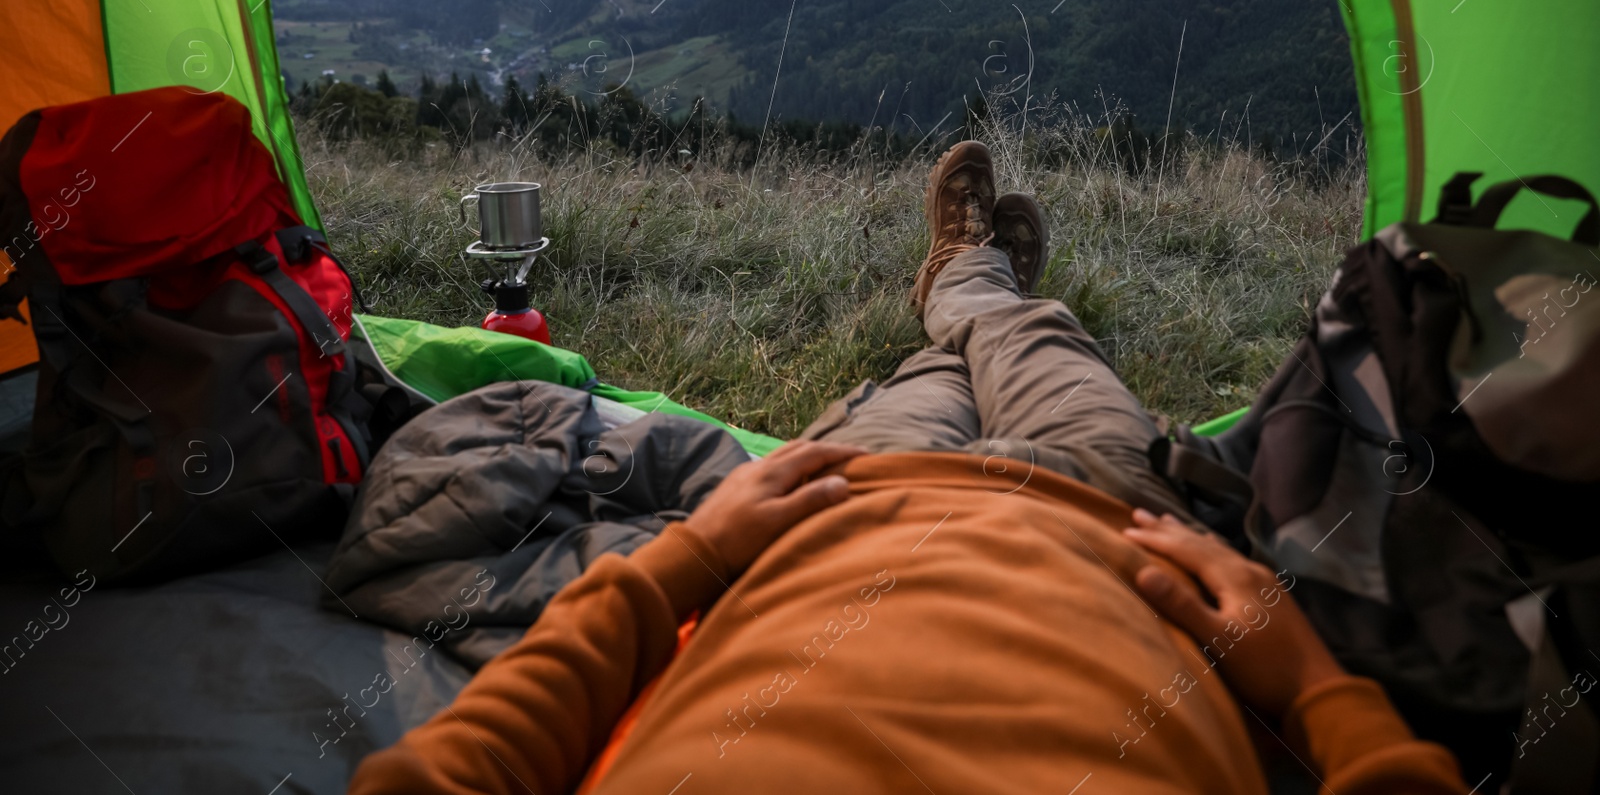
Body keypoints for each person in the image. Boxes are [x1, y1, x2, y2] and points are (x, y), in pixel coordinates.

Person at [349, 142, 1468, 794]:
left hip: (838, 509)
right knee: (1040, 344)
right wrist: (1315, 686)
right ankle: (975, 284)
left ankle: (960, 287)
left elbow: (443, 774)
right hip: (1113, 526)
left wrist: (683, 561)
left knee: (926, 382)